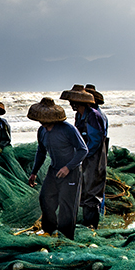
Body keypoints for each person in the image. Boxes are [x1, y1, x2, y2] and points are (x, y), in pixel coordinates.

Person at [26, 97, 87, 240]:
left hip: (70, 172)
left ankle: (66, 236)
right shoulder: (41, 131)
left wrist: (68, 167)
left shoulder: (68, 129)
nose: (42, 121)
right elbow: (41, 152)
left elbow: (83, 150)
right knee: (45, 198)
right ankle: (49, 229)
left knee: (67, 205)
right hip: (54, 170)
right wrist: (34, 172)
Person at [81, 84, 110, 227]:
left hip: (96, 153)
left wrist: (85, 155)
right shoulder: (84, 115)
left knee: (95, 185)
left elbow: (97, 139)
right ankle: (98, 215)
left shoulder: (95, 115)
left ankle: (98, 217)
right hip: (92, 152)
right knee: (93, 185)